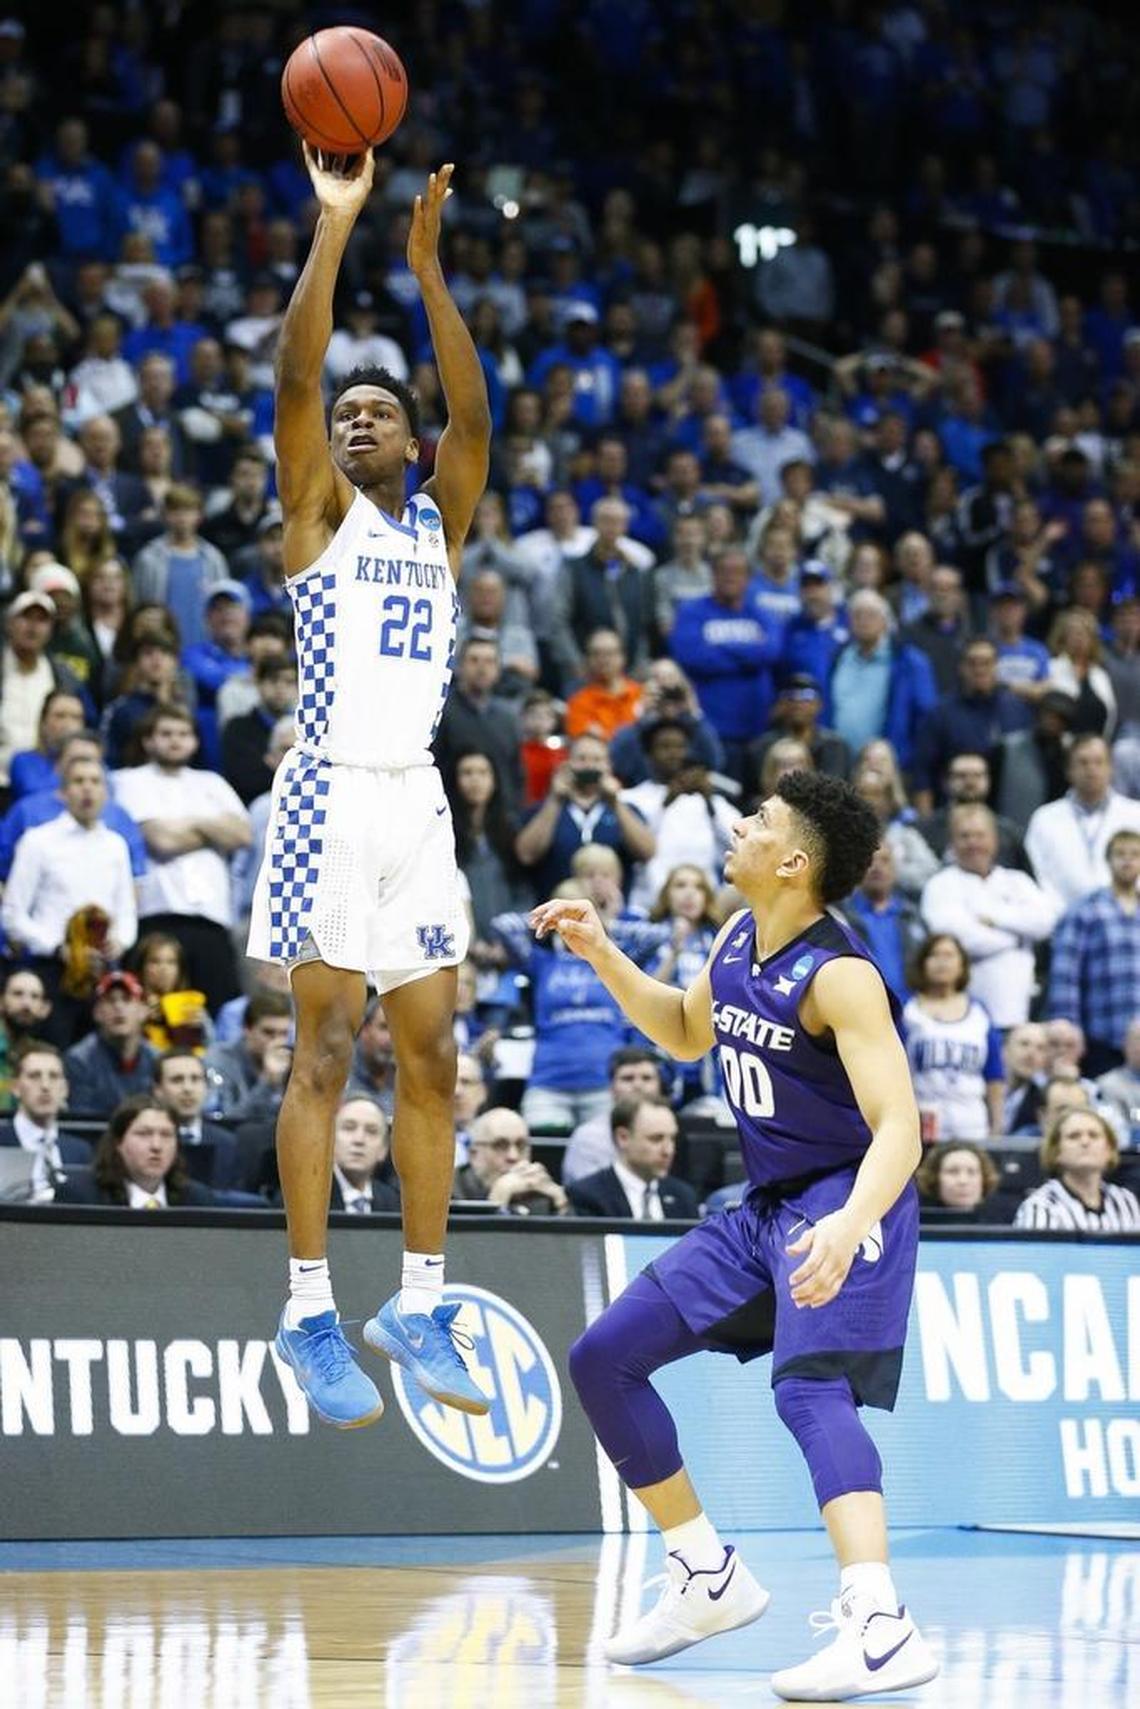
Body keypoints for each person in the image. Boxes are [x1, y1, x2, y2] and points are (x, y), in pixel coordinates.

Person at [533, 771, 938, 1699]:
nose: (739, 824)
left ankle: (880, 1624)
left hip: (844, 1195)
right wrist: (602, 952)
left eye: (759, 820)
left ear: (794, 861)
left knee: (810, 1390)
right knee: (604, 1356)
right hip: (763, 1205)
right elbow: (682, 1030)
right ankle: (705, 1572)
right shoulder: (735, 934)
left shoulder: (840, 975)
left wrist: (848, 1222)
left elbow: (902, 1129)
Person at [246, 148, 493, 1429]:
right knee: (328, 1047)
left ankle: (421, 1296)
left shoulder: (440, 524)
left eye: (379, 412)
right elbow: (296, 369)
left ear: (415, 442)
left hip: (417, 804)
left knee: (436, 1053)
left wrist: (428, 268)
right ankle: (305, 1308)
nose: (354, 417)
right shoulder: (314, 517)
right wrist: (337, 227)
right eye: (346, 413)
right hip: (329, 796)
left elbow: (480, 415)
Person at [111, 703, 251, 1013]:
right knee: (150, 1010)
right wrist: (210, 827)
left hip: (211, 920)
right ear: (148, 740)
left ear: (195, 741)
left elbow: (242, 835)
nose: (175, 740)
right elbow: (160, 840)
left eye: (183, 734)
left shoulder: (212, 783)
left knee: (217, 1010)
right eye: (166, 733)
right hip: (156, 913)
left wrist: (183, 825)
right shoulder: (128, 780)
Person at [920, 804, 1057, 1030]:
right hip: (963, 1020)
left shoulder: (1018, 881)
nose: (973, 843)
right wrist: (1018, 937)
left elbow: (1046, 921)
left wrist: (994, 919)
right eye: (964, 836)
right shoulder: (940, 884)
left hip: (1019, 1017)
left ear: (994, 840)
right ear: (952, 842)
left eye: (980, 835)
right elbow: (962, 940)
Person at [514, 731, 654, 900]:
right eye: (581, 759)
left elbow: (647, 853)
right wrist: (555, 799)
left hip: (611, 917)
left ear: (609, 765)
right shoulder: (542, 810)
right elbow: (526, 855)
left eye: (597, 760)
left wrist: (616, 803)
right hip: (554, 914)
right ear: (567, 764)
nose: (589, 765)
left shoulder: (627, 809)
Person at [1047, 829, 1140, 1077]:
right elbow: (1065, 973)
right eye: (1120, 854)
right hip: (1101, 1032)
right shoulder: (1085, 909)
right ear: (1108, 860)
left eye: (1134, 854)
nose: (1128, 860)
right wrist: (1067, 1025)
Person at [903, 935, 1005, 1143]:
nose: (942, 962)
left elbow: (994, 1074)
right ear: (922, 963)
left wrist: (997, 1126)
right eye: (934, 955)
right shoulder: (908, 1011)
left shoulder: (980, 1012)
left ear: (962, 965)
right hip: (923, 1126)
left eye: (949, 955)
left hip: (973, 1124)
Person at [1024, 735, 1140, 910]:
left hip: (1128, 918)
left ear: (1111, 769)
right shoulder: (1044, 818)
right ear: (1069, 770)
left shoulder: (1135, 814)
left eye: (1098, 762)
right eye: (1083, 763)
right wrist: (1058, 912)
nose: (1091, 769)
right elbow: (1036, 873)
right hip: (1062, 919)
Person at [54, 1093, 214, 1208]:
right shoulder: (80, 1196)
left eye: (166, 1135)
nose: (156, 1146)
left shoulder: (198, 1200)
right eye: (144, 1134)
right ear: (118, 1142)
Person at [567, 1095, 699, 1219]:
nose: (668, 1150)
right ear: (623, 1138)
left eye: (672, 1138)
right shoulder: (587, 1195)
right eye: (656, 1139)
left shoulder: (684, 1197)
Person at [1014, 1105, 1140, 1232]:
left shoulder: (1125, 1201)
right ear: (1056, 1151)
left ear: (1109, 1150)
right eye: (1074, 1136)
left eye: (1094, 1135)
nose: (1085, 1142)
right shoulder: (1039, 1207)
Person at [561, 1046, 667, 1185]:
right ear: (611, 1088)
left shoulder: (673, 1132)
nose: (638, 1085)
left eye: (646, 1078)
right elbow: (588, 1196)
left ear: (660, 1086)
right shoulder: (588, 1137)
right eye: (627, 1079)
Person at [63, 971, 162, 1118]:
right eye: (110, 1000)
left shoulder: (157, 1059)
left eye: (127, 999)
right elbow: (82, 1120)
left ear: (143, 1011)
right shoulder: (78, 1060)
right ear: (97, 1013)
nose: (118, 1007)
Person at [0, 1042, 91, 1200]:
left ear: (65, 1089)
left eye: (54, 1076)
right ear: (15, 1087)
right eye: (34, 1076)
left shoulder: (81, 1152)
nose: (45, 1086)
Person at [452, 1105, 569, 1215]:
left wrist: (562, 1207)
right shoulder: (448, 1193)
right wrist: (497, 1200)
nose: (513, 1156)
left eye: (521, 1145)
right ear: (474, 1154)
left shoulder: (538, 1189)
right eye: (500, 1146)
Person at [152, 1048, 240, 1189]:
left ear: (206, 1086)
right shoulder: (149, 1142)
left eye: (195, 1079)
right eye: (177, 1080)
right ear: (157, 1089)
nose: (188, 1088)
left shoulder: (228, 1144)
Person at [202, 988, 292, 1123]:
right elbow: (225, 1122)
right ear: (247, 1029)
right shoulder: (219, 1060)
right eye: (268, 1032)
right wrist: (267, 1082)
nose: (277, 1041)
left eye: (283, 1033)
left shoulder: (293, 1060)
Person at [131, 930, 210, 1054]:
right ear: (141, 967)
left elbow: (213, 1050)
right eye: (155, 961)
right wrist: (137, 1023)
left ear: (180, 970)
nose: (164, 968)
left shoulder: (192, 1006)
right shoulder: (129, 1004)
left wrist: (202, 1029)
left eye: (171, 962)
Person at [329, 1093, 400, 1213]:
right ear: (330, 1140)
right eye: (349, 1128)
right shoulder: (307, 1195)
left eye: (371, 1131)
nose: (359, 1140)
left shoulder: (394, 1203)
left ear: (384, 1149)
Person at [915, 1142, 1001, 1223]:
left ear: (984, 1179)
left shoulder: (1004, 1221)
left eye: (971, 1172)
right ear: (934, 1178)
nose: (963, 1181)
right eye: (953, 1171)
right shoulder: (915, 1223)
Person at [1096, 1018, 1140, 1151]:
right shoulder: (1107, 1084)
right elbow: (1117, 1131)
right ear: (1125, 1044)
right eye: (1137, 1040)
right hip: (1127, 1161)